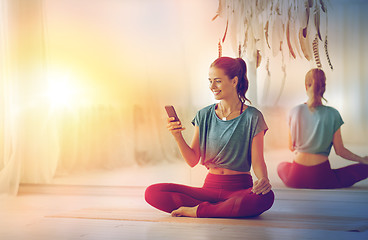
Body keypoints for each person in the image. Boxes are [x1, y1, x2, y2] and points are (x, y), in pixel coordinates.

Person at [145, 57, 274, 218]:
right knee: (153, 192)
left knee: (266, 198)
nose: (212, 86)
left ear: (234, 81)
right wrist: (177, 136)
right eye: (210, 81)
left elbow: (257, 161)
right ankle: (222, 209)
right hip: (208, 190)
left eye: (217, 81)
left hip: (239, 189)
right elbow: (192, 160)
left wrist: (263, 181)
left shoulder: (253, 117)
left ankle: (197, 210)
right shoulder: (204, 115)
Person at [277, 68, 368, 189]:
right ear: (324, 88)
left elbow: (291, 147)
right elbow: (340, 151)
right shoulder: (333, 113)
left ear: (306, 86)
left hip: (295, 178)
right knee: (364, 168)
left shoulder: (294, 111)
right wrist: (362, 159)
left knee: (281, 166)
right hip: (322, 177)